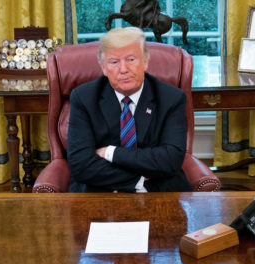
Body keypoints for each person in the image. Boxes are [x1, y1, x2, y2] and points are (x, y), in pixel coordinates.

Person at [67, 27, 191, 193]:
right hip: (99, 192)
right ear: (103, 67)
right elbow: (80, 165)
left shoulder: (171, 98)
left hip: (159, 191)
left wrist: (111, 152)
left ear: (145, 61)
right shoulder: (84, 98)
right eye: (114, 62)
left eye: (131, 59)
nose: (123, 69)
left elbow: (170, 160)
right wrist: (137, 180)